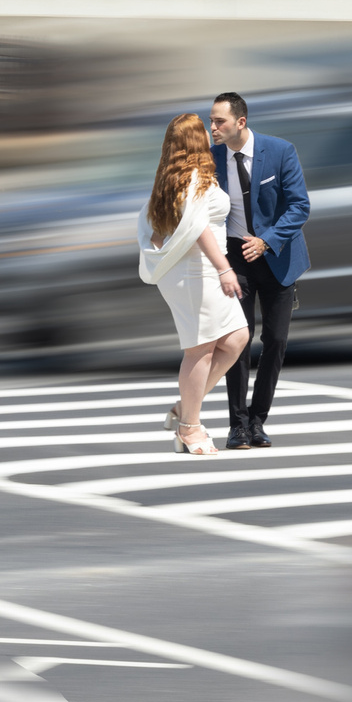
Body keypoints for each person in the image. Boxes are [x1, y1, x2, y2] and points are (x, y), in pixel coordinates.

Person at [134, 111, 250, 456]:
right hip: (197, 271)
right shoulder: (194, 178)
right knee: (202, 347)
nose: (213, 131)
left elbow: (157, 229)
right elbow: (199, 228)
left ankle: (185, 407)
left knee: (237, 337)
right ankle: (189, 427)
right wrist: (224, 268)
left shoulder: (172, 179)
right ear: (196, 140)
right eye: (206, 129)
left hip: (188, 271)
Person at [208, 91, 311, 450]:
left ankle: (257, 419)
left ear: (241, 122)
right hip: (235, 258)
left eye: (219, 121)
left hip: (277, 254)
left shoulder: (280, 151)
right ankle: (237, 424)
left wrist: (266, 240)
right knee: (236, 341)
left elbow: (300, 206)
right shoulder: (211, 157)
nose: (213, 128)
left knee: (276, 341)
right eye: (211, 120)